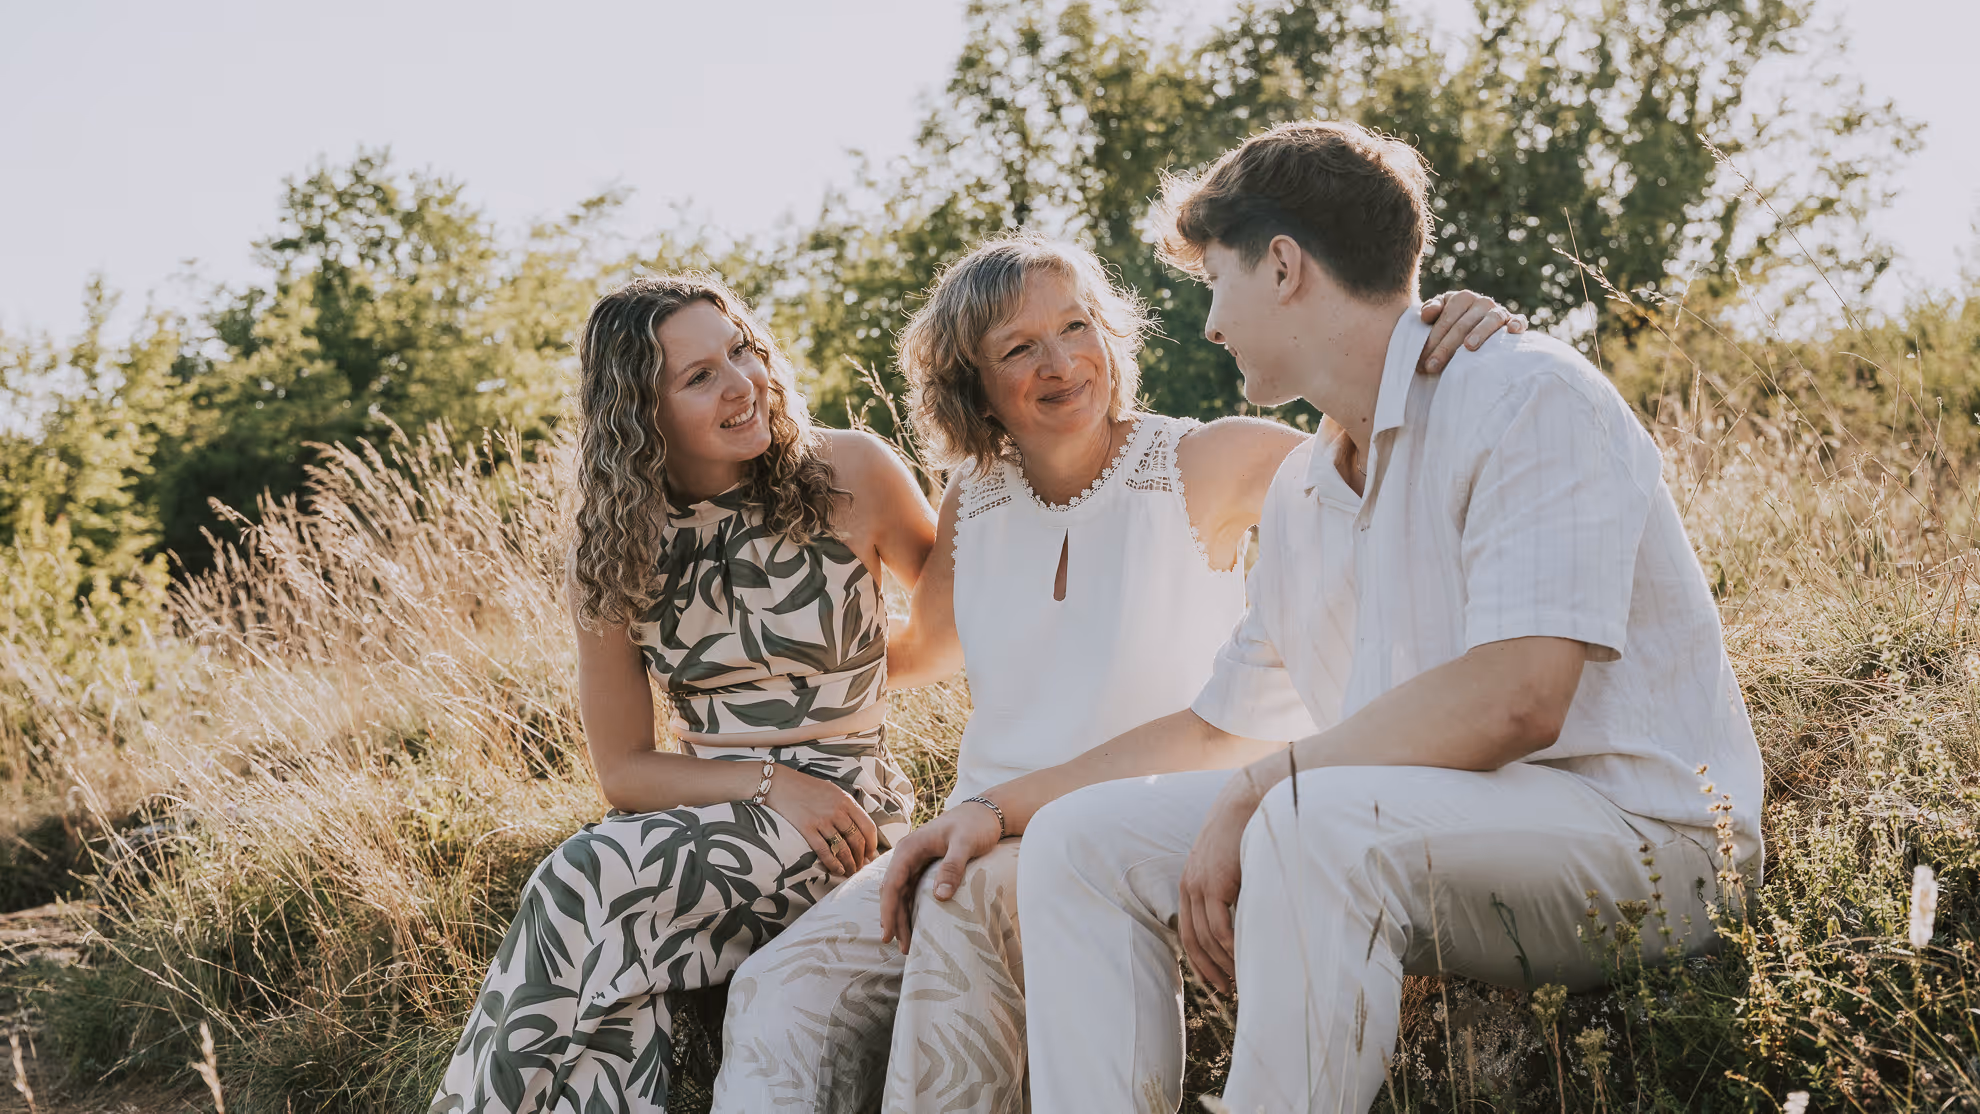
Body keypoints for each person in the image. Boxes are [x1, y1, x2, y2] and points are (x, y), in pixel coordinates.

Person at [1015, 121, 1767, 1113]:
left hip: (1643, 839)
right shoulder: (1297, 495)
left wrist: (1262, 786)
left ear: (1283, 266)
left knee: (1307, 816)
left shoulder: (1526, 396)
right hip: (1413, 828)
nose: (1211, 326)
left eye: (1217, 283)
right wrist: (1001, 808)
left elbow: (1519, 697)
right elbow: (1221, 726)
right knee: (1082, 842)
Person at [711, 231, 1525, 1114]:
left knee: (955, 916)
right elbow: (919, 653)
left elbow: (1380, 462)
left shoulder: (1200, 463)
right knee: (775, 990)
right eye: (1018, 349)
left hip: (1129, 830)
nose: (1061, 363)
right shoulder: (971, 498)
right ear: (969, 384)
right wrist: (754, 659)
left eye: (1077, 326)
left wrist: (1441, 336)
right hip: (974, 824)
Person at [429, 274, 939, 1113]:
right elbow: (625, 772)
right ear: (641, 410)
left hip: (848, 814)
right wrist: (772, 782)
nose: (741, 384)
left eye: (740, 350)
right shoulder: (615, 543)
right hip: (721, 811)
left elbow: (961, 625)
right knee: (617, 982)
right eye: (698, 375)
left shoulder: (853, 470)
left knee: (581, 877)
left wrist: (852, 695)